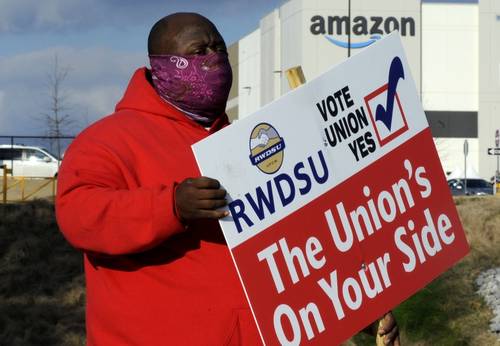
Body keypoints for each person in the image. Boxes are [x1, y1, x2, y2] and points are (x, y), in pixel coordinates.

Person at [56, 12, 400, 345]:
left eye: (219, 48)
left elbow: (292, 254)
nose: (214, 58)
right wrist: (170, 206)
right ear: (160, 66)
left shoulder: (244, 145)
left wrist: (354, 307)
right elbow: (79, 214)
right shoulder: (108, 141)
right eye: (198, 51)